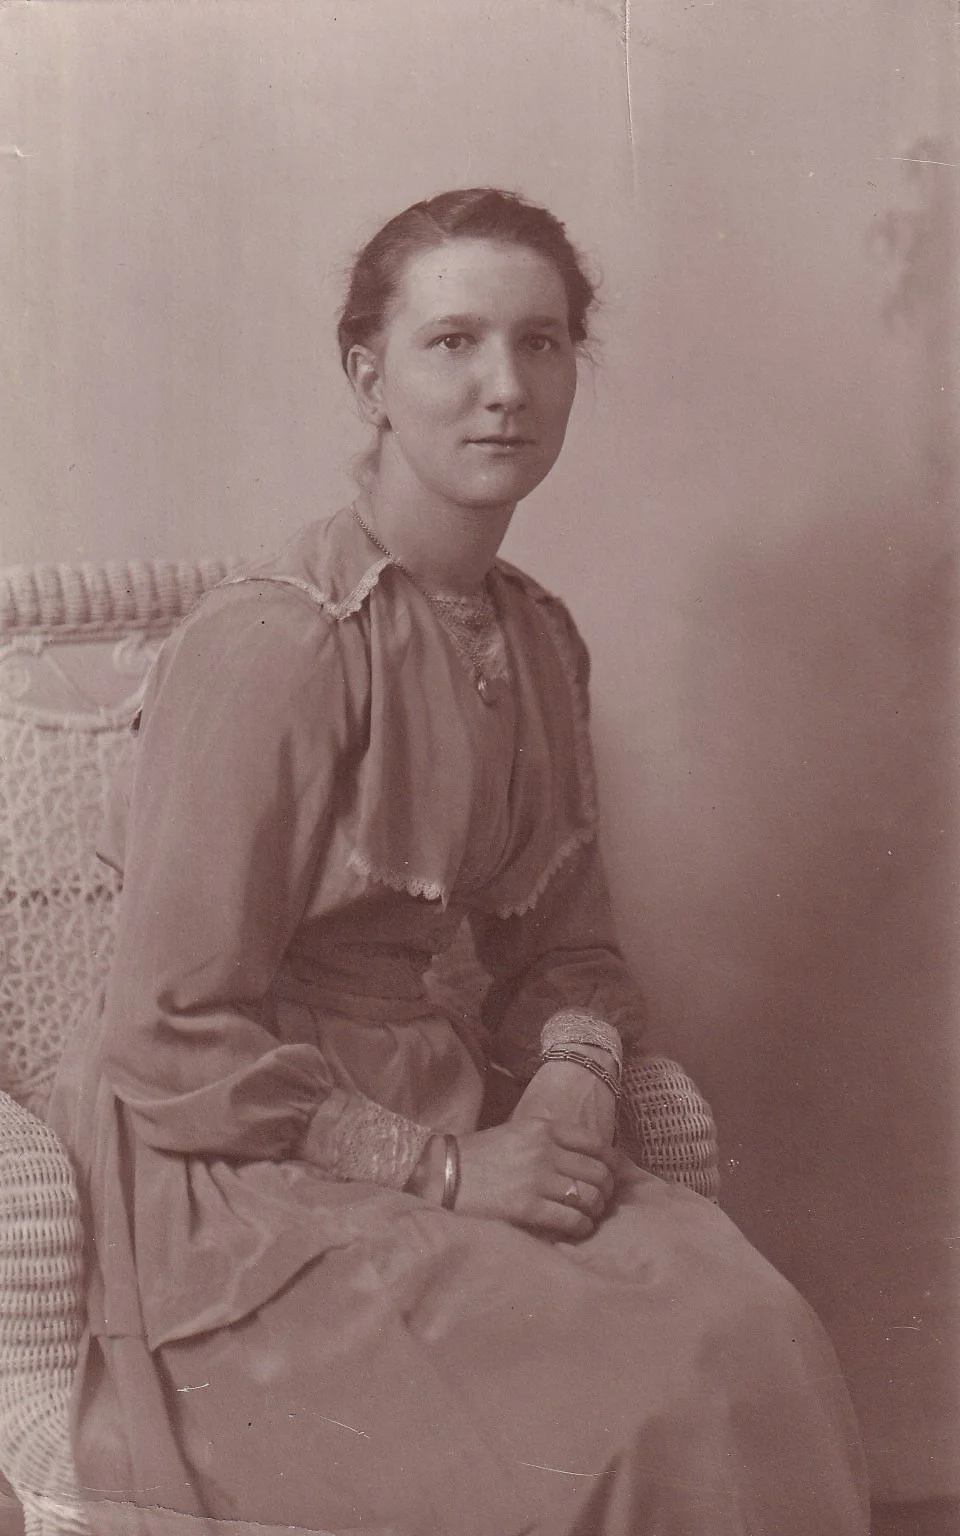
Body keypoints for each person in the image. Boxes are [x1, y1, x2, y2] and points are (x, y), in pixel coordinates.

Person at [48, 187, 869, 1536]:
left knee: (754, 1335)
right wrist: (442, 1174)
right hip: (244, 1184)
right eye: (454, 344)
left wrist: (567, 1092)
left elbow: (571, 953)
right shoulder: (279, 645)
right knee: (620, 1418)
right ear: (369, 375)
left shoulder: (539, 641)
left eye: (541, 345)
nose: (505, 389)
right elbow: (167, 1038)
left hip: (465, 1111)